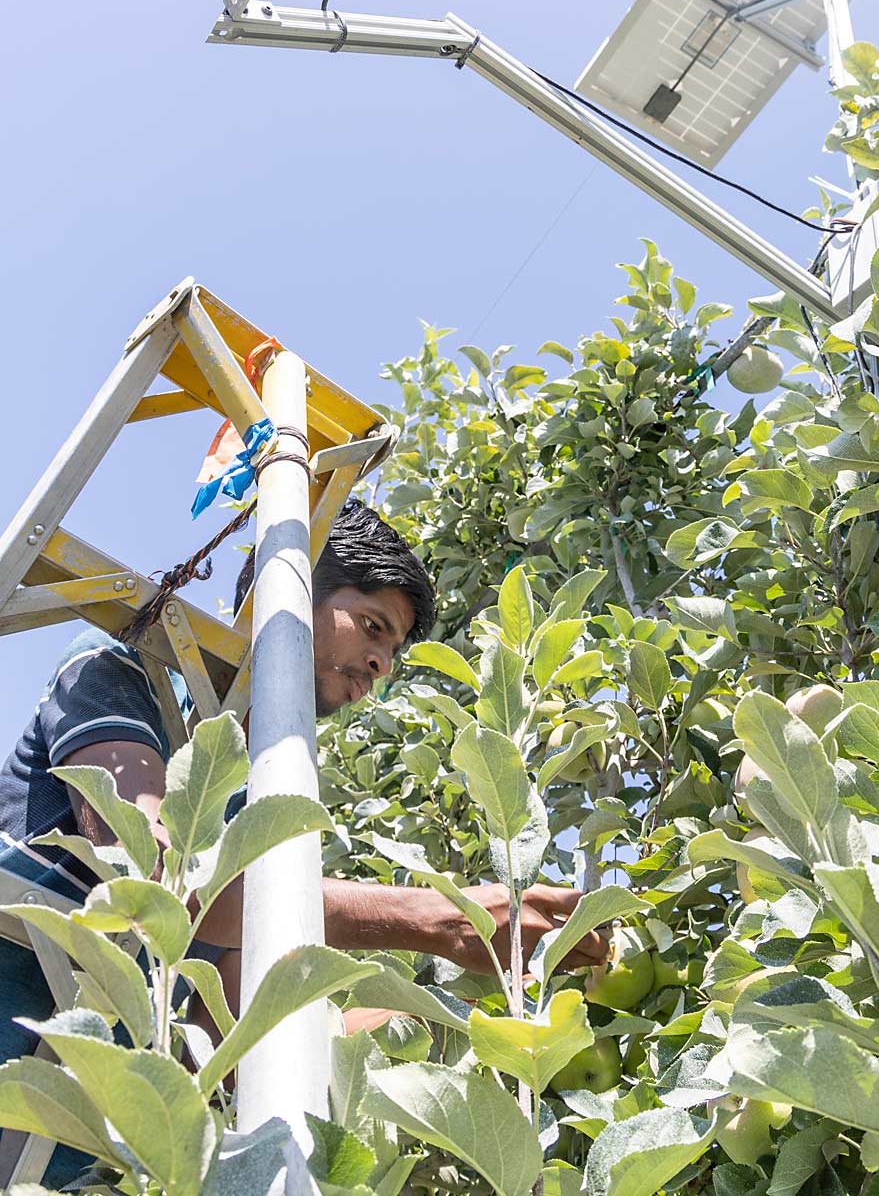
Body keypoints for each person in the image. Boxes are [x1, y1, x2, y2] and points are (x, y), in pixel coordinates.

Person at [0, 500, 605, 1184]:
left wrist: (479, 1021)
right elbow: (160, 879)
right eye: (372, 626)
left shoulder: (256, 806)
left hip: (56, 1154)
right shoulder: (118, 672)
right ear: (282, 591)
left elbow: (232, 1026)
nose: (380, 663)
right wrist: (438, 918)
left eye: (394, 652)